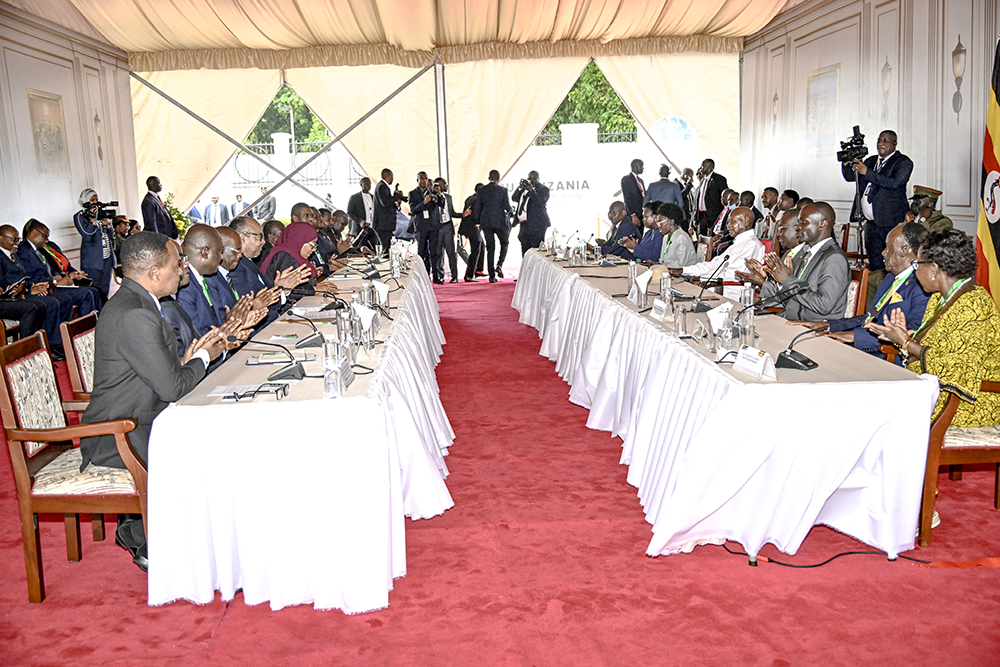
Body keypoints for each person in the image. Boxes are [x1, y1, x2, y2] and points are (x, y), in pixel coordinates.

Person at [79, 232, 227, 571]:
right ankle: (146, 534)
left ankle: (152, 530)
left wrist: (188, 360)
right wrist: (202, 357)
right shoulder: (134, 313)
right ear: (156, 273)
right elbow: (173, 388)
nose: (182, 271)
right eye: (177, 265)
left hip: (139, 417)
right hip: (120, 435)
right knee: (217, 442)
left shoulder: (139, 303)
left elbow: (157, 372)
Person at [869, 228, 1000, 426]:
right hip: (938, 391)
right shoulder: (939, 299)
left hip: (969, 402)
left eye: (917, 264)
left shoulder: (974, 305)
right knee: (869, 398)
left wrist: (906, 342)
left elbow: (955, 370)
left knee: (876, 409)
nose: (915, 270)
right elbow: (931, 356)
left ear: (934, 269)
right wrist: (904, 341)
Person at [809, 222, 931, 361]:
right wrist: (827, 324)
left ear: (904, 250)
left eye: (887, 247)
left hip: (884, 355)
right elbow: (869, 317)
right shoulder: (891, 277)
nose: (883, 252)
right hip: (865, 346)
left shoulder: (922, 286)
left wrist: (856, 337)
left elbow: (912, 334)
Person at [744, 202, 850, 321]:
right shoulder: (805, 253)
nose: (798, 227)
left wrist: (787, 280)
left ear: (822, 224)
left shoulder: (834, 258)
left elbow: (823, 304)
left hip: (814, 328)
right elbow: (793, 296)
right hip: (789, 319)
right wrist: (772, 281)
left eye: (803, 221)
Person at [842, 129, 913, 272]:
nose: (881, 143)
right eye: (879, 140)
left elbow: (893, 183)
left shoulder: (903, 162)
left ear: (894, 144)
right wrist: (845, 162)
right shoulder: (871, 161)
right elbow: (851, 176)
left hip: (891, 223)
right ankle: (876, 291)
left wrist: (867, 172)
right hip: (871, 224)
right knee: (875, 263)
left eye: (885, 141)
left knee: (893, 263)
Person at [0, 224, 68, 358]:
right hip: (5, 299)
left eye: (18, 239)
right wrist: (11, 288)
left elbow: (24, 276)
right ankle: (25, 351)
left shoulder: (13, 254)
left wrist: (31, 287)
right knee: (31, 308)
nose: (17, 243)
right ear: (1, 238)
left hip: (19, 294)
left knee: (42, 305)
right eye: (14, 239)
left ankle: (42, 347)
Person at [671, 206, 764, 301]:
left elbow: (734, 274)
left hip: (730, 294)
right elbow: (713, 265)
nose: (728, 225)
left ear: (745, 221)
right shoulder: (736, 244)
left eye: (732, 221)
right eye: (728, 222)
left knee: (680, 299)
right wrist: (683, 270)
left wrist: (702, 278)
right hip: (713, 287)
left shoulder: (753, 245)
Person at [18, 219, 100, 318]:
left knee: (94, 290)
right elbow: (32, 276)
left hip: (54, 284)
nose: (46, 240)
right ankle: (79, 329)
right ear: (34, 233)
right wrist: (54, 281)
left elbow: (50, 268)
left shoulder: (36, 249)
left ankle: (95, 325)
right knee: (85, 294)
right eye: (44, 237)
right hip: (45, 288)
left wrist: (58, 276)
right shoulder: (23, 250)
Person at [73, 188, 117, 301]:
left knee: (105, 290)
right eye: (92, 200)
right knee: (95, 292)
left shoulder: (101, 214)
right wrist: (93, 221)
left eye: (96, 199)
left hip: (106, 259)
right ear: (85, 201)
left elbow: (111, 234)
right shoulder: (79, 216)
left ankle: (104, 313)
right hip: (93, 261)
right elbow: (87, 235)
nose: (95, 202)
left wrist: (108, 224)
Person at [259, 221, 322, 295]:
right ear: (300, 240)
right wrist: (316, 290)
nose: (314, 249)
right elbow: (290, 291)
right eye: (312, 245)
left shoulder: (292, 254)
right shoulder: (285, 257)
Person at [473, 170, 513, 283]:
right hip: (500, 222)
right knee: (504, 243)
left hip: (486, 222)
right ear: (499, 178)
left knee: (490, 248)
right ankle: (499, 264)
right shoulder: (503, 190)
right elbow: (507, 206)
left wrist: (477, 223)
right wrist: (511, 211)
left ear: (488, 178)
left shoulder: (482, 190)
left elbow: (478, 207)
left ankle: (491, 276)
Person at [409, 172, 444, 283]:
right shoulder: (413, 194)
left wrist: (438, 194)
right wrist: (423, 203)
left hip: (433, 226)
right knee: (422, 252)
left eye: (426, 179)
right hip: (421, 227)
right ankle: (424, 276)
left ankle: (436, 276)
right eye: (421, 179)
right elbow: (413, 210)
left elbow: (442, 204)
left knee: (434, 252)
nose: (424, 181)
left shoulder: (432, 192)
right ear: (417, 180)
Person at [512, 171, 551, 256]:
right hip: (525, 224)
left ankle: (536, 269)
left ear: (538, 179)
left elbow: (540, 202)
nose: (531, 181)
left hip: (538, 224)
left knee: (536, 251)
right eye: (530, 179)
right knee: (525, 249)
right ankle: (526, 267)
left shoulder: (544, 189)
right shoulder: (524, 190)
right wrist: (520, 188)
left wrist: (531, 191)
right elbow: (514, 198)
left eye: (534, 179)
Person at [434, 178, 462, 282]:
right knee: (438, 253)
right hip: (438, 228)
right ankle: (440, 276)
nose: (447, 185)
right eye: (445, 184)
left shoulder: (449, 198)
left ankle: (454, 276)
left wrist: (463, 215)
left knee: (451, 252)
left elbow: (452, 213)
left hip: (448, 227)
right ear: (439, 185)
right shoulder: (433, 198)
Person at [656, 202, 696, 268]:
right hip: (669, 272)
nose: (658, 226)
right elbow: (662, 260)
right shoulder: (666, 237)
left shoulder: (682, 237)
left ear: (671, 222)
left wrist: (662, 266)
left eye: (660, 222)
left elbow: (680, 265)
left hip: (683, 275)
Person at [695, 159, 728, 235]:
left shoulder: (719, 179)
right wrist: (696, 218)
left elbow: (724, 198)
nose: (701, 169)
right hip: (702, 217)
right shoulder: (702, 180)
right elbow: (698, 199)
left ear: (710, 167)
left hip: (713, 217)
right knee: (701, 241)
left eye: (703, 166)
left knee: (711, 240)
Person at [459, 183, 484, 282]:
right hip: (472, 227)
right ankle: (469, 275)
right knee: (475, 250)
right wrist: (479, 224)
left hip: (466, 227)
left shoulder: (470, 198)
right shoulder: (478, 200)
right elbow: (476, 214)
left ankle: (477, 270)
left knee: (481, 246)